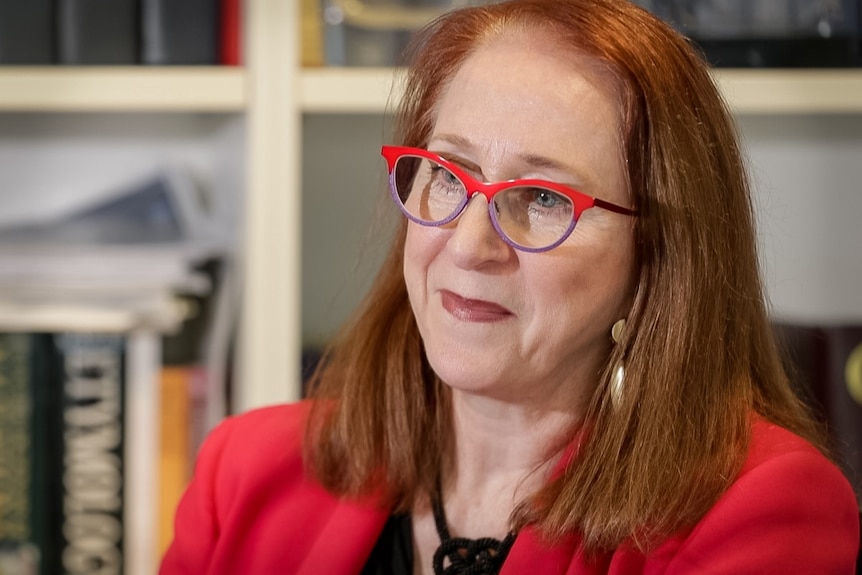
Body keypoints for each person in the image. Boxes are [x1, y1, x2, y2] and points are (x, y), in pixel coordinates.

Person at [160, 0, 860, 573]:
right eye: (448, 174)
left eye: (544, 198)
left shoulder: (761, 510)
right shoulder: (246, 472)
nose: (468, 245)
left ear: (657, 255)